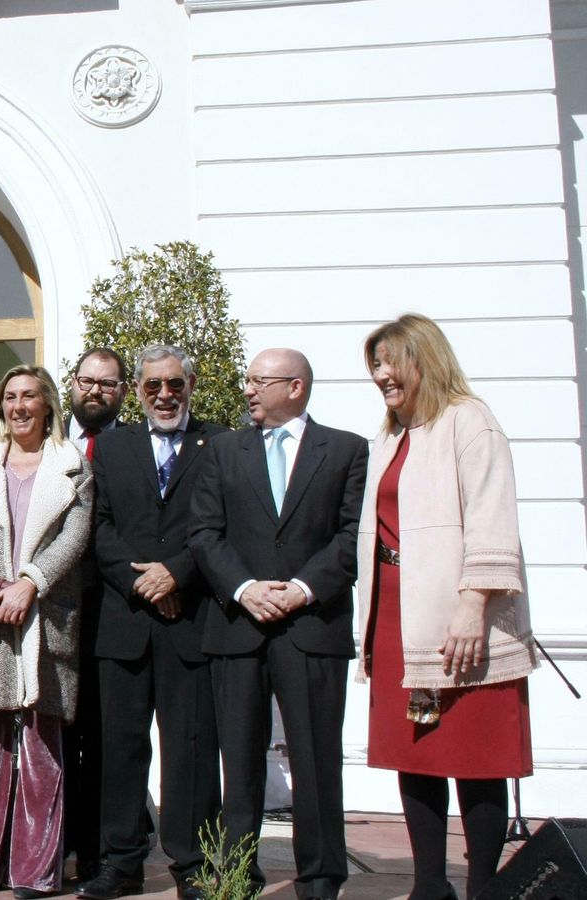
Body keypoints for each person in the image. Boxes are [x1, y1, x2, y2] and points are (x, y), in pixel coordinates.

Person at [358, 315, 538, 900]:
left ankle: (483, 887)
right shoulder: (389, 435)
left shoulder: (470, 422)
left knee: (475, 754)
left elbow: (493, 518)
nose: (382, 375)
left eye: (391, 362)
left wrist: (472, 605)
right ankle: (430, 884)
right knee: (418, 751)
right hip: (395, 614)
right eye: (376, 365)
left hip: (459, 615)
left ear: (424, 360)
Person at [189, 347, 369, 900]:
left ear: (295, 386)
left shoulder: (346, 450)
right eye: (247, 380)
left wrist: (301, 589)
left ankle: (319, 878)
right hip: (238, 626)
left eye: (258, 381)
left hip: (311, 625)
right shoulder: (222, 450)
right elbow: (205, 532)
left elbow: (351, 536)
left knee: (315, 759)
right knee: (238, 760)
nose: (247, 389)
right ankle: (238, 874)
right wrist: (246, 589)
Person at [79, 345, 224, 900]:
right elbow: (99, 526)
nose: (164, 395)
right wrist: (143, 582)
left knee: (189, 747)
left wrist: (177, 575)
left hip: (189, 620)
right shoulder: (112, 447)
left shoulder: (219, 444)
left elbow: (221, 525)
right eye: (152, 387)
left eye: (174, 385)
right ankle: (121, 863)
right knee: (120, 748)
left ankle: (191, 865)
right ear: (136, 392)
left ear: (191, 385)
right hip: (125, 621)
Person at [0, 364, 91, 899]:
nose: (19, 406)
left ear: (47, 404)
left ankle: (34, 872)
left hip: (43, 620)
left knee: (41, 746)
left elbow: (75, 537)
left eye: (30, 396)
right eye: (10, 397)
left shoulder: (73, 466)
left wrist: (32, 582)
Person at [62, 347, 130, 883]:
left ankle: (96, 847)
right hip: (46, 607)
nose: (95, 391)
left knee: (103, 733)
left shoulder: (132, 446)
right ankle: (47, 844)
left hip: (112, 610)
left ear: (122, 391)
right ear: (72, 384)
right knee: (53, 733)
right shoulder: (42, 440)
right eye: (87, 381)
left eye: (107, 384)